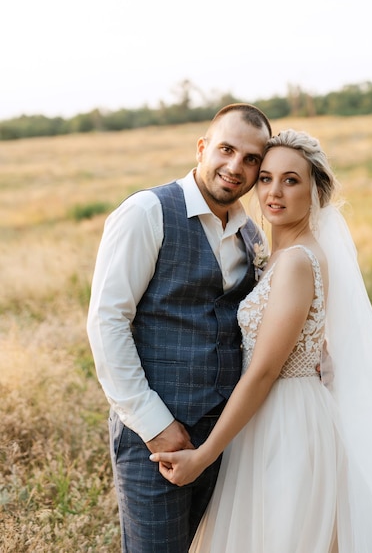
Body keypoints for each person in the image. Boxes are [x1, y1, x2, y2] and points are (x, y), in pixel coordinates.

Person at [151, 130, 372, 552]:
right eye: (266, 178)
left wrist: (203, 458)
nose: (274, 192)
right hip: (263, 419)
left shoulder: (296, 261)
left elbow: (264, 370)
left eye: (291, 180)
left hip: (287, 424)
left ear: (316, 189)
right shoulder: (271, 252)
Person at [86, 103, 273, 552]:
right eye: (226, 150)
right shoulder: (147, 212)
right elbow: (107, 321)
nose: (235, 167)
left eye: (251, 159)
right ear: (202, 147)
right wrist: (154, 424)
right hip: (157, 440)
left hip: (226, 439)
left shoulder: (252, 235)